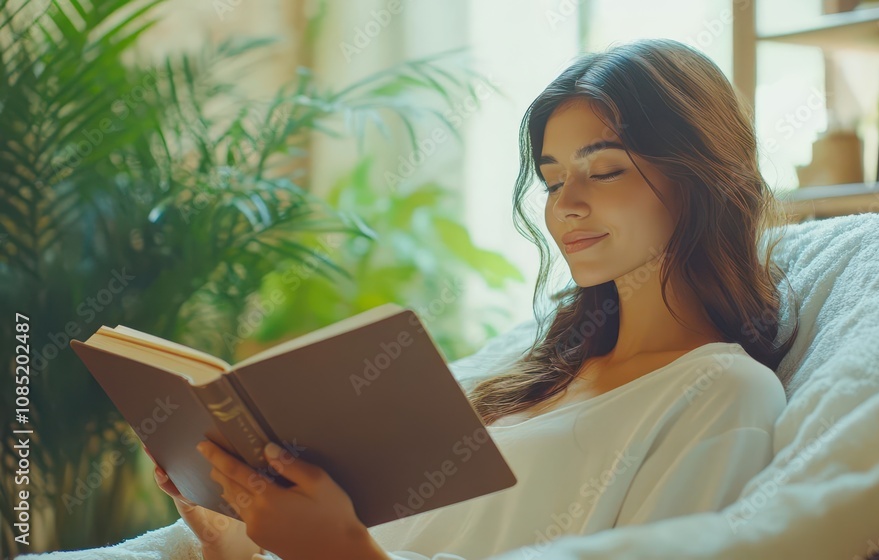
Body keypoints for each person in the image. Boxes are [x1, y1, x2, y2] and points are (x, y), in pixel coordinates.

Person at [16, 37, 799, 560]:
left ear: (699, 174)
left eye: (606, 168)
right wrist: (227, 512)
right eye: (554, 178)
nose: (565, 205)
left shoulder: (721, 393)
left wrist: (344, 551)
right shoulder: (534, 379)